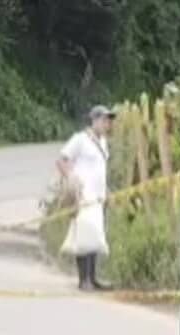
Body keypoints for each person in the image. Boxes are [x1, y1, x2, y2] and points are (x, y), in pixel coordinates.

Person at [57, 105, 115, 290]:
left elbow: (100, 169)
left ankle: (93, 277)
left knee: (95, 235)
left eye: (108, 120)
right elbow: (62, 160)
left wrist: (106, 191)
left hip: (98, 196)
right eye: (104, 120)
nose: (107, 124)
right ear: (94, 120)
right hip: (84, 195)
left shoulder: (104, 142)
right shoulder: (80, 140)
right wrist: (71, 178)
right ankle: (84, 279)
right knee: (84, 235)